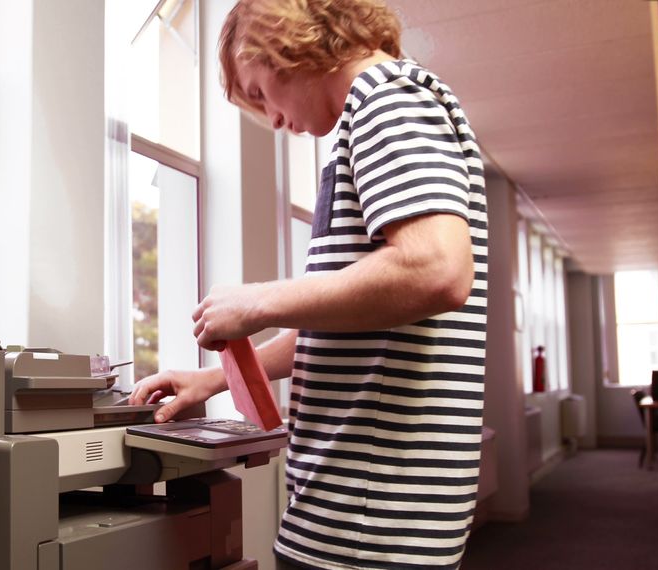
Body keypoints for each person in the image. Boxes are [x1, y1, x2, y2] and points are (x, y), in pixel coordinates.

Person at [129, 1, 487, 568]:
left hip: (368, 516)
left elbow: (438, 269)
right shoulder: (377, 112)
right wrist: (211, 378)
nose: (270, 119)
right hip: (359, 508)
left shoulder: (386, 97)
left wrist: (260, 301)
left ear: (284, 43)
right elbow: (346, 326)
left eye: (260, 91)